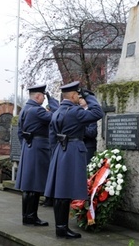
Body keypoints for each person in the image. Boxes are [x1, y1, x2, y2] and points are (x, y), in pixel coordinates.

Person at [44, 81, 104, 239]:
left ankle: (60, 228)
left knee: (60, 192)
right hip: (71, 151)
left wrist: (55, 152)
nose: (78, 97)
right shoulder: (75, 111)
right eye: (77, 94)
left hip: (59, 151)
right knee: (65, 192)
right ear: (71, 95)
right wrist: (89, 96)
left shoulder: (57, 111)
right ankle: (62, 229)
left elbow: (51, 137)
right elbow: (98, 113)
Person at [15, 84, 59, 226]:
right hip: (38, 148)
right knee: (34, 185)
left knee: (28, 185)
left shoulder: (25, 110)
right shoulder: (37, 110)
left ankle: (27, 217)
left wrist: (27, 145)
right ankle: (31, 217)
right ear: (38, 96)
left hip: (30, 148)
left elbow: (19, 133)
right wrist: (52, 101)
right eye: (43, 97)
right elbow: (57, 116)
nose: (43, 100)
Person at [79, 97, 98, 165]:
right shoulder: (78, 112)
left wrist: (80, 128)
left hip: (88, 146)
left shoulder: (92, 113)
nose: (79, 100)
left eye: (81, 98)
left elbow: (92, 132)